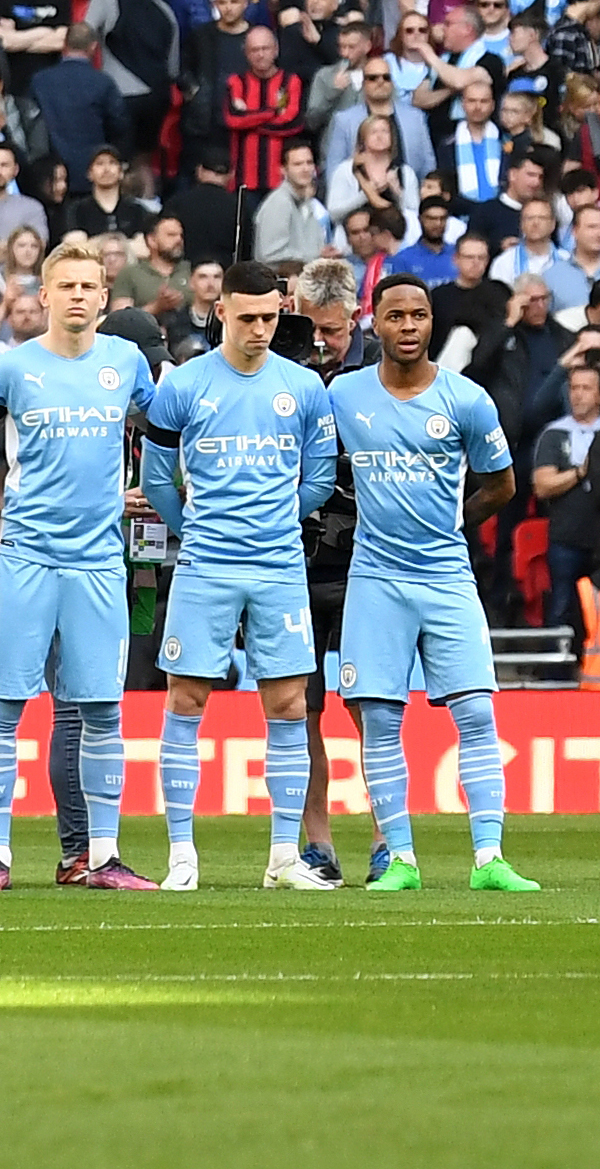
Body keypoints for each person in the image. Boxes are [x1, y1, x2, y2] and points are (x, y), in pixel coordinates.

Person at [320, 272, 538, 892]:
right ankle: (402, 861)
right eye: (396, 317)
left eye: (418, 316)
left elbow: (502, 484)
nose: (408, 327)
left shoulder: (466, 399)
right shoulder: (344, 395)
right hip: (375, 578)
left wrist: (453, 521)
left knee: (475, 714)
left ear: (431, 323)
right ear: (375, 322)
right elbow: (311, 461)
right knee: (381, 720)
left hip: (446, 576)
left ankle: (490, 859)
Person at [0, 235, 159, 891]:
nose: (77, 296)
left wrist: (152, 492)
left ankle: (100, 857)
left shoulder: (128, 362)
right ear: (42, 295)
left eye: (89, 286)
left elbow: (164, 430)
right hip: (25, 559)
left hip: (99, 564)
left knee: (103, 710)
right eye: (65, 286)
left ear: (104, 297)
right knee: (3, 706)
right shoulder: (11, 369)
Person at [138, 259, 341, 892]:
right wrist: (197, 529)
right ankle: (181, 857)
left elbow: (320, 478)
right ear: (220, 310)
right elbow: (155, 480)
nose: (259, 328)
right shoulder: (184, 386)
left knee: (287, 704)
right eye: (247, 316)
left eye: (270, 316)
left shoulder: (304, 388)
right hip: (207, 565)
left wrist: (280, 518)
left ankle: (284, 857)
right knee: (185, 700)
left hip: (279, 566)